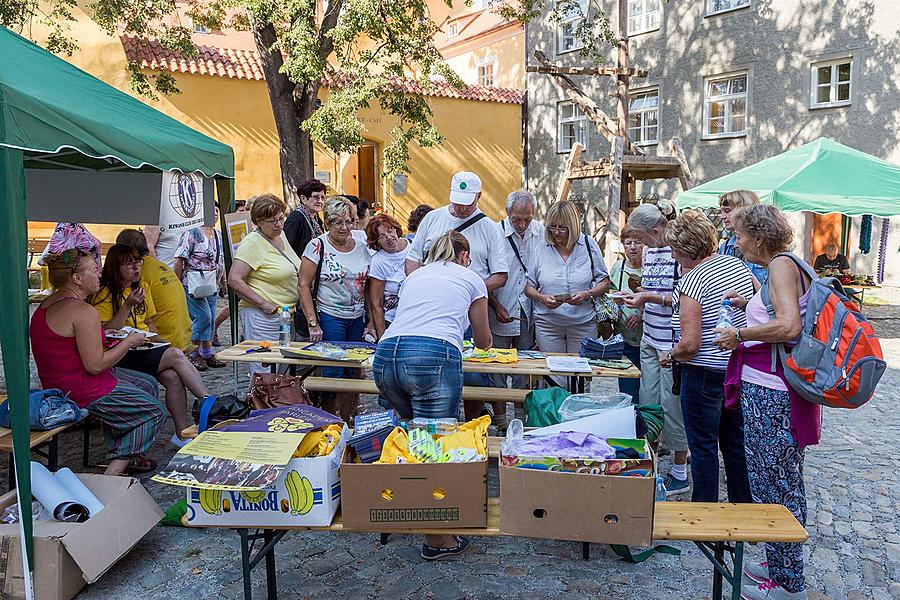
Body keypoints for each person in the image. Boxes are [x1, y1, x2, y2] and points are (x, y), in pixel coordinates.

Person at [715, 204, 820, 600]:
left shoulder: (779, 266)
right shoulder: (786, 266)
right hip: (774, 390)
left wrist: (740, 334)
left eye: (740, 234)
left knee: (777, 485)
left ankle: (787, 584)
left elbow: (789, 325)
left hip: (774, 394)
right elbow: (785, 313)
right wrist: (749, 306)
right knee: (773, 481)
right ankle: (780, 562)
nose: (736, 241)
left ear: (758, 236)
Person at [373, 231, 491, 560]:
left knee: (412, 436)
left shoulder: (416, 275)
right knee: (437, 443)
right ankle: (437, 537)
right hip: (432, 357)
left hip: (386, 357)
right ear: (464, 255)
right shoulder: (471, 278)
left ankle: (401, 506)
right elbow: (483, 340)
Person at [31, 250, 167, 475]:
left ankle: (127, 448)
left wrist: (106, 334)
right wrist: (129, 342)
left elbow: (68, 344)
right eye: (95, 270)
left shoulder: (47, 304)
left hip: (59, 382)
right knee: (154, 411)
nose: (100, 274)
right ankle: (113, 470)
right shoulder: (83, 311)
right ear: (77, 279)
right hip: (82, 388)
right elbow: (95, 365)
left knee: (148, 384)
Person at [661, 210, 754, 504]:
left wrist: (670, 355)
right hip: (736, 370)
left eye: (675, 251)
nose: (674, 257)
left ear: (685, 251)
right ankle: (743, 506)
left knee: (702, 446)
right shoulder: (737, 266)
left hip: (702, 373)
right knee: (734, 444)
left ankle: (705, 511)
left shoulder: (693, 281)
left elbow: (690, 344)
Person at [405, 172, 508, 421]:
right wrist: (427, 285)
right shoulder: (432, 218)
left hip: (472, 311)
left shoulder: (489, 228)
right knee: (433, 369)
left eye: (468, 202)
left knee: (474, 373)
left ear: (479, 197)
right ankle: (436, 421)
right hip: (431, 309)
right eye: (458, 201)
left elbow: (500, 275)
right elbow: (412, 259)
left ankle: (471, 421)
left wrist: (465, 288)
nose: (462, 208)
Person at [89, 244, 213, 444]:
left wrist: (156, 339)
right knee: (175, 355)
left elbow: (148, 322)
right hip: (119, 353)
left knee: (172, 377)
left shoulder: (142, 287)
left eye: (137, 262)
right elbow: (105, 331)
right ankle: (210, 404)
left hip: (142, 348)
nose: (136, 268)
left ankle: (181, 434)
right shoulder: (105, 293)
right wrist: (127, 305)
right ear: (115, 267)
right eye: (129, 264)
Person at [622, 201, 690, 496]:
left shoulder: (678, 254)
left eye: (641, 237)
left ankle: (680, 470)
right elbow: (652, 292)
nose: (638, 243)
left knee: (672, 408)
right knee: (648, 403)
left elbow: (684, 299)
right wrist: (639, 306)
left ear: (655, 230)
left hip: (670, 343)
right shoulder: (651, 253)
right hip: (650, 337)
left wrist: (648, 297)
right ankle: (648, 461)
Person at [298, 196, 371, 421]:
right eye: (337, 222)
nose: (344, 227)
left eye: (348, 222)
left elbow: (370, 283)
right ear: (327, 223)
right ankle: (330, 420)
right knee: (332, 371)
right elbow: (303, 284)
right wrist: (313, 322)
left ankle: (347, 418)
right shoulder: (318, 246)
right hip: (331, 316)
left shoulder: (362, 244)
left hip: (357, 315)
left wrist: (370, 320)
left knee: (353, 369)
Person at [524, 200, 610, 361]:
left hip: (583, 323)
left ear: (573, 226)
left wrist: (587, 294)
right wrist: (542, 298)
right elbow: (529, 287)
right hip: (548, 324)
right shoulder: (540, 248)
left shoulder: (588, 244)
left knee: (581, 374)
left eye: (562, 227)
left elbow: (605, 281)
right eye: (552, 226)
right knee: (554, 372)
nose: (556, 232)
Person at [229, 194, 301, 377]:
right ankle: (261, 405)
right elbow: (234, 279)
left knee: (282, 369)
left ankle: (277, 404)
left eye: (281, 218)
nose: (279, 224)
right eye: (272, 221)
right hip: (262, 317)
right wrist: (264, 304)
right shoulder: (252, 243)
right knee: (265, 371)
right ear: (258, 221)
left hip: (286, 315)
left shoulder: (280, 235)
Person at [488, 190, 543, 426]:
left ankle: (521, 421)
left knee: (525, 372)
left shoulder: (540, 232)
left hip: (528, 311)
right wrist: (495, 305)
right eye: (517, 219)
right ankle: (501, 423)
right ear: (507, 212)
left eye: (527, 219)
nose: (522, 224)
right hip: (500, 308)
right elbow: (484, 275)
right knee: (497, 370)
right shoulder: (494, 232)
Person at [115, 229, 192, 355]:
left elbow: (143, 318)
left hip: (165, 339)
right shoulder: (161, 266)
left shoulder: (137, 274)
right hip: (183, 336)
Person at [174, 223, 226, 370]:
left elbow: (219, 261)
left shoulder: (218, 235)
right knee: (203, 317)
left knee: (209, 318)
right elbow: (179, 258)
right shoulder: (192, 233)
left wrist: (223, 281)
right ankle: (192, 353)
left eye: (216, 210)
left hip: (211, 283)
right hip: (193, 282)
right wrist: (176, 284)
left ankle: (207, 353)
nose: (215, 213)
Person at [609, 226, 644, 403]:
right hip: (623, 336)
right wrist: (615, 300)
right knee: (628, 388)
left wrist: (641, 315)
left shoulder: (650, 269)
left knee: (647, 387)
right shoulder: (618, 267)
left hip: (646, 336)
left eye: (638, 242)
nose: (632, 247)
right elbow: (609, 294)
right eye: (628, 243)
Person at [365, 213, 409, 339]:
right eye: (382, 236)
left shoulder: (413, 247)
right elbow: (376, 304)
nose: (389, 238)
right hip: (393, 321)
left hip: (416, 318)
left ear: (396, 229)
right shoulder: (378, 262)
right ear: (376, 241)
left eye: (390, 231)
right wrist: (383, 337)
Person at [717, 189, 767, 283]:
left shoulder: (764, 244)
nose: (722, 216)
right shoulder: (725, 247)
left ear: (744, 210)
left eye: (727, 211)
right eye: (721, 212)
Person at [284, 179, 327, 259]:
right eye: (315, 197)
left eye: (322, 198)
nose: (320, 201)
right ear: (303, 199)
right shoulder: (296, 218)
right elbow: (287, 247)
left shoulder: (316, 218)